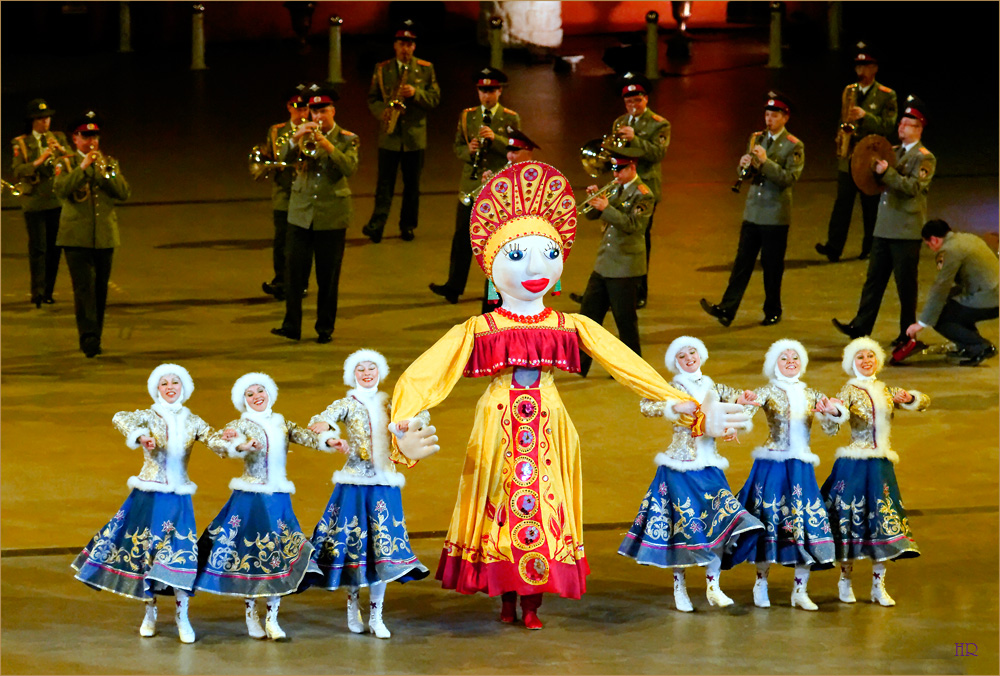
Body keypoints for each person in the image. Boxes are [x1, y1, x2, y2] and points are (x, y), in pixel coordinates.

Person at [385, 161, 751, 630]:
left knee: (545, 505)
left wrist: (690, 407)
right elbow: (426, 373)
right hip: (498, 427)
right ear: (493, 270)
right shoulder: (480, 328)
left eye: (547, 253)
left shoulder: (570, 325)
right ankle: (504, 595)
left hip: (549, 430)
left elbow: (627, 365)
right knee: (500, 502)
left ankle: (532, 600)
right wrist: (405, 421)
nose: (536, 267)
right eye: (516, 257)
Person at [72, 364, 214, 643]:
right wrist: (140, 436)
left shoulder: (193, 420)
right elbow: (120, 417)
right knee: (147, 555)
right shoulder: (148, 416)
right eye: (164, 383)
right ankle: (149, 612)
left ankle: (182, 615)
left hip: (179, 499)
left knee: (182, 555)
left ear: (184, 388)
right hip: (150, 497)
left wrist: (236, 442)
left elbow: (216, 441)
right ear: (157, 389)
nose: (170, 387)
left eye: (176, 382)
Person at [620, 337, 763, 612]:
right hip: (680, 467)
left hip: (709, 467)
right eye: (682, 355)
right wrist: (673, 407)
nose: (688, 358)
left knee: (720, 522)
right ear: (676, 362)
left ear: (701, 354)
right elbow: (646, 406)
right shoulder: (672, 387)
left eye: (692, 352)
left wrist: (743, 402)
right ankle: (680, 587)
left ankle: (713, 585)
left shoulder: (713, 385)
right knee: (683, 530)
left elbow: (734, 404)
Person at [305, 349, 430, 639]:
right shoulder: (347, 403)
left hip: (384, 484)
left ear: (380, 371)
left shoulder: (392, 402)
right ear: (352, 374)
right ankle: (353, 604)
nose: (366, 373)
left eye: (371, 368)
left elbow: (421, 412)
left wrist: (408, 424)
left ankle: (377, 615)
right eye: (360, 369)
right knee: (353, 546)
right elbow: (323, 419)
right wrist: (326, 433)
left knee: (382, 549)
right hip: (354, 483)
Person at [194, 372, 324, 640]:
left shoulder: (281, 423)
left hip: (278, 498)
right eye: (249, 394)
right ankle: (251, 612)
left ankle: (273, 617)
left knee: (278, 554)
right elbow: (219, 442)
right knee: (251, 554)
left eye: (260, 391)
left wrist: (328, 436)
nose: (256, 397)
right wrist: (238, 443)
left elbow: (308, 437)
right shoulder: (240, 424)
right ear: (243, 400)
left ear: (270, 393)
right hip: (250, 499)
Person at [820, 338, 929, 606]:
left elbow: (924, 401)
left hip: (881, 465)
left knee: (881, 520)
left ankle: (878, 586)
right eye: (860, 358)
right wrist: (833, 411)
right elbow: (834, 421)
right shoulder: (849, 390)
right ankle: (845, 581)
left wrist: (911, 398)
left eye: (870, 356)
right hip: (855, 464)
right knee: (849, 520)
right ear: (851, 363)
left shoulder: (884, 390)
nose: (866, 361)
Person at [735, 340, 840, 611]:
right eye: (784, 358)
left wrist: (833, 413)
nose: (791, 361)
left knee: (804, 521)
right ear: (774, 364)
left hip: (801, 466)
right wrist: (742, 410)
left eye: (795, 357)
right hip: (773, 465)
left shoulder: (811, 394)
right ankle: (761, 582)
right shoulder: (768, 391)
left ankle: (800, 591)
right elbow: (746, 413)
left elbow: (832, 426)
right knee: (768, 519)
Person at [833, 96, 936, 346]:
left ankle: (906, 334)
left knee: (905, 288)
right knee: (873, 282)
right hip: (884, 227)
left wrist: (886, 172)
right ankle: (861, 325)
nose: (901, 127)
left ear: (919, 129)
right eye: (901, 123)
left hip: (905, 231)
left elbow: (912, 187)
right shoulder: (891, 151)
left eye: (907, 124)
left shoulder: (924, 158)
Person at [701, 91, 804, 328]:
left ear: (785, 118)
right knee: (742, 263)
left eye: (774, 115)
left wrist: (766, 162)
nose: (769, 119)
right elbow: (747, 174)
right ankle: (728, 308)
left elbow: (789, 178)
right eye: (767, 114)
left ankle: (773, 309)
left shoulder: (794, 145)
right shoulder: (756, 138)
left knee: (771, 265)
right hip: (753, 211)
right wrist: (742, 167)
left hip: (775, 215)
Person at [270, 86, 359, 344]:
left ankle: (324, 328)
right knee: (294, 273)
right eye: (314, 110)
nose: (317, 115)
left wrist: (327, 145)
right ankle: (291, 325)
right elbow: (281, 161)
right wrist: (294, 139)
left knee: (327, 277)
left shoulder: (347, 138)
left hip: (331, 215)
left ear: (333, 111)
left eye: (322, 110)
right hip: (300, 213)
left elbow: (349, 168)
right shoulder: (298, 133)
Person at [429, 67, 520, 305]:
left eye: (491, 91)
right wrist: (466, 152)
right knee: (462, 236)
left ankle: (493, 292)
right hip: (471, 182)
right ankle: (453, 285)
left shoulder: (510, 117)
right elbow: (457, 145)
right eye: (482, 91)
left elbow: (515, 149)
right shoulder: (467, 116)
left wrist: (496, 139)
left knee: (494, 241)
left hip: (497, 186)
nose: (486, 96)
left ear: (499, 92)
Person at [53, 111, 131, 358]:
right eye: (85, 137)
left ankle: (95, 333)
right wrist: (83, 169)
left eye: (94, 136)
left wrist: (105, 173)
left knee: (99, 290)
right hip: (76, 237)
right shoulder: (64, 163)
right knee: (84, 288)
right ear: (74, 139)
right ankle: (88, 337)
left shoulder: (110, 163)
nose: (91, 142)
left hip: (105, 236)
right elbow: (61, 190)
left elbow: (123, 193)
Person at [816, 43, 898, 262]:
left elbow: (889, 126)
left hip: (871, 156)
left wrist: (865, 117)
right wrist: (840, 137)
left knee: (870, 205)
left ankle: (870, 247)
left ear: (875, 68)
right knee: (842, 203)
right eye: (858, 66)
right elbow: (843, 118)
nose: (861, 70)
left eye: (865, 66)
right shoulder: (849, 91)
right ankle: (834, 246)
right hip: (849, 154)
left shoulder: (886, 95)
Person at [577, 146, 653, 377]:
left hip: (625, 266)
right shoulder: (616, 189)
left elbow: (634, 225)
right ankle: (580, 365)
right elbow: (592, 215)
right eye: (613, 170)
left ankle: (632, 367)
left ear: (632, 167)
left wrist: (606, 208)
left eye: (620, 170)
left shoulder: (644, 194)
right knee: (588, 315)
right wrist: (593, 200)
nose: (615, 175)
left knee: (624, 320)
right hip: (605, 263)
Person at [362, 20, 441, 243]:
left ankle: (407, 226)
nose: (405, 48)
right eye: (401, 44)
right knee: (384, 185)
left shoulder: (426, 69)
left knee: (412, 186)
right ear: (395, 46)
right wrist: (383, 112)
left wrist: (416, 93)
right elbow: (373, 98)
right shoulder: (382, 69)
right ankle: (376, 225)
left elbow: (435, 98)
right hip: (389, 136)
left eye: (409, 44)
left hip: (414, 137)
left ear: (414, 47)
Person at [610, 72, 671, 308]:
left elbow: (658, 154)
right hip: (622, 188)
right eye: (628, 102)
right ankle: (617, 287)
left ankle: (639, 290)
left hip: (645, 190)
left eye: (637, 100)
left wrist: (635, 139)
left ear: (646, 99)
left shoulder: (659, 123)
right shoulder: (619, 122)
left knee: (640, 240)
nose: (633, 106)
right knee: (617, 237)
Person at [903, 219, 999, 366]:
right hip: (990, 291)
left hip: (990, 297)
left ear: (934, 240)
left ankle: (981, 347)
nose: (929, 248)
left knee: (940, 317)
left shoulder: (950, 250)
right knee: (951, 305)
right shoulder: (968, 238)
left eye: (928, 244)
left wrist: (922, 322)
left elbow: (941, 287)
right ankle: (967, 346)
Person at [10, 98, 68, 308]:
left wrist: (61, 152)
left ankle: (49, 291)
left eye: (47, 118)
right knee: (38, 248)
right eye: (41, 119)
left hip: (56, 201)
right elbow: (18, 170)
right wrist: (39, 160)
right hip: (34, 203)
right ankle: (37, 291)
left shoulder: (58, 137)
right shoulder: (22, 143)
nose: (46, 122)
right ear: (33, 121)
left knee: (55, 249)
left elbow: (72, 160)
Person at [479, 127, 540, 314]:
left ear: (528, 152)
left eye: (515, 152)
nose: (510, 156)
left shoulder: (537, 177)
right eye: (509, 151)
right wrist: (486, 190)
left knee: (519, 301)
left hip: (524, 249)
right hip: (501, 247)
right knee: (493, 302)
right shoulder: (504, 176)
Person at [261, 86, 311, 302]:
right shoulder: (276, 131)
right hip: (283, 190)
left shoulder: (313, 129)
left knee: (303, 240)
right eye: (298, 108)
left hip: (305, 191)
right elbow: (271, 154)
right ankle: (280, 280)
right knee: (281, 239)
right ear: (289, 107)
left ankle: (301, 283)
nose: (302, 113)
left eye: (305, 108)